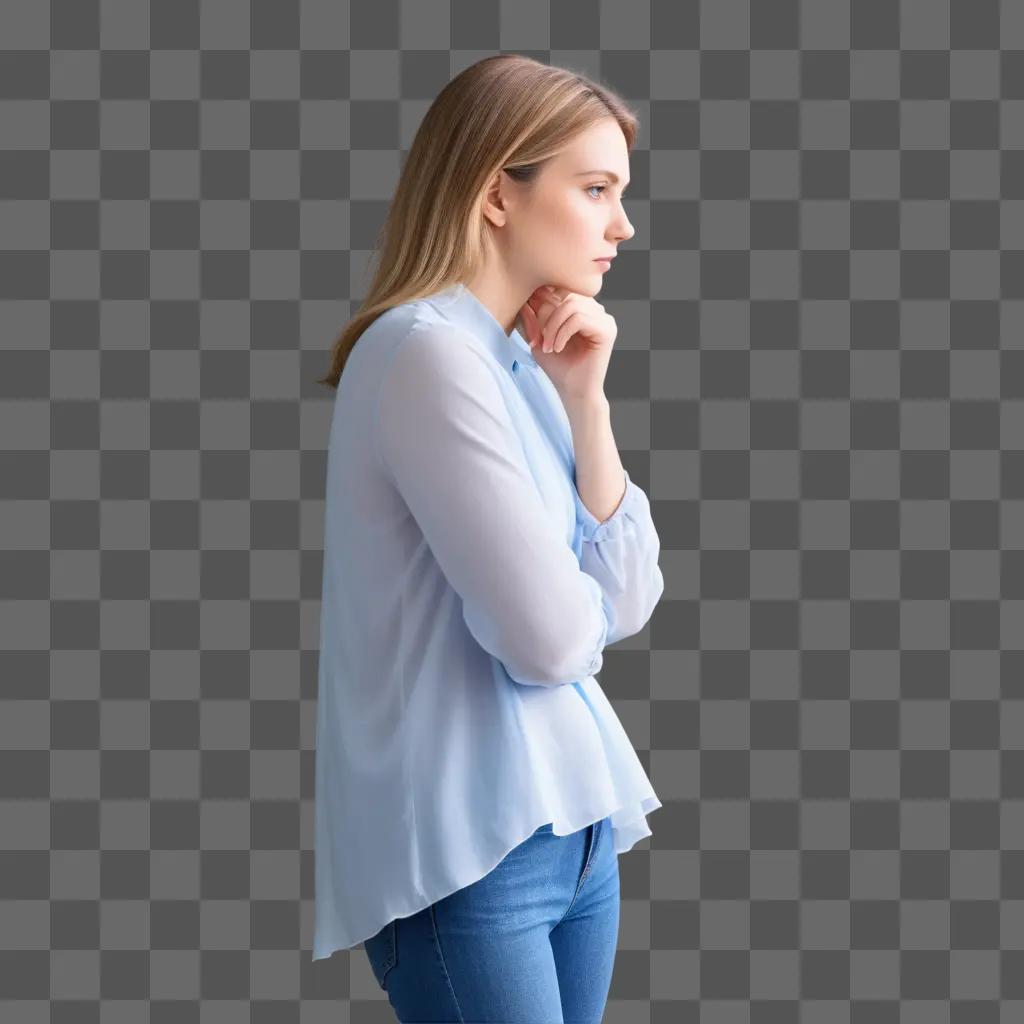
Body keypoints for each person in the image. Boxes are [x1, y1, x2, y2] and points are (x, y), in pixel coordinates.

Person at [312, 54, 665, 1023]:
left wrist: (585, 403)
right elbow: (548, 642)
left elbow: (627, 597)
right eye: (593, 190)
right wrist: (567, 602)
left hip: (577, 831)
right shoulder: (424, 354)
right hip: (477, 855)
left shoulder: (518, 359)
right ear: (495, 194)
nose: (620, 226)